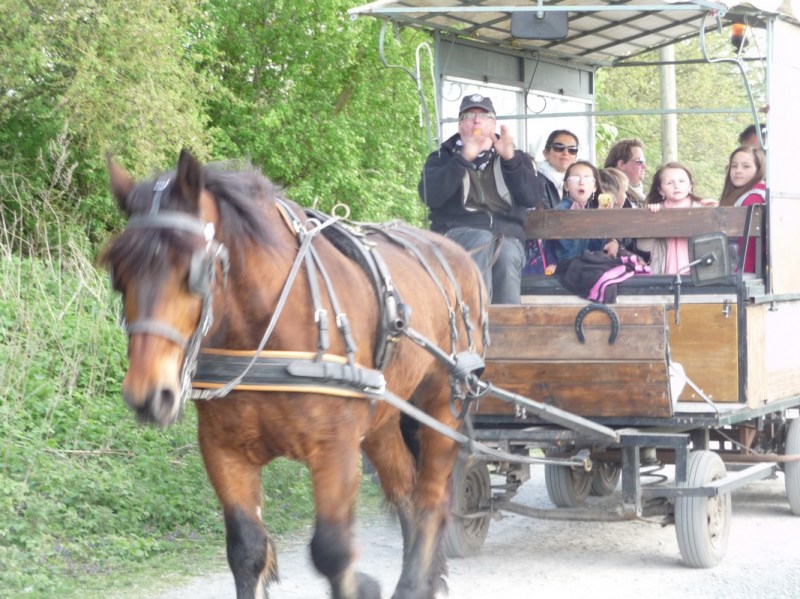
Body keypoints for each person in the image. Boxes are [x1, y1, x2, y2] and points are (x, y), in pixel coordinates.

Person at [419, 93, 545, 303]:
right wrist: (462, 160)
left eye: (484, 115)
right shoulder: (442, 158)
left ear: (493, 123)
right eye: (469, 115)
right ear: (460, 125)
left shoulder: (515, 156)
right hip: (454, 237)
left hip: (506, 237)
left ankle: (507, 329)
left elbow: (531, 198)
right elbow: (430, 197)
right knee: (483, 240)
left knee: (505, 253)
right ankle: (475, 323)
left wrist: (510, 160)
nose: (477, 120)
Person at [641, 162, 718, 274]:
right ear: (660, 190)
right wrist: (650, 218)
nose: (677, 186)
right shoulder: (657, 211)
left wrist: (713, 209)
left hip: (698, 273)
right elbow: (644, 247)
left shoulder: (702, 209)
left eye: (681, 181)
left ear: (690, 186)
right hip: (665, 273)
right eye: (669, 183)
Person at [546, 161, 612, 262]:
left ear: (594, 187)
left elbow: (595, 250)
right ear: (566, 186)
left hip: (586, 267)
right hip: (566, 270)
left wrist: (600, 219)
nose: (582, 182)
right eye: (575, 178)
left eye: (588, 178)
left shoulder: (591, 210)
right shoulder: (561, 211)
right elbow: (566, 257)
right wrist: (573, 225)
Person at [719, 145, 766, 273]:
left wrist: (744, 274)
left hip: (745, 274)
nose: (738, 171)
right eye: (734, 166)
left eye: (746, 166)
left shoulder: (754, 198)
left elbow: (750, 247)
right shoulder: (742, 195)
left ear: (758, 170)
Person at [538, 130, 580, 209]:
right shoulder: (537, 181)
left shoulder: (581, 182)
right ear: (546, 153)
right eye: (559, 148)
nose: (566, 153)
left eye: (572, 150)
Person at [604, 139, 647, 207]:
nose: (644, 166)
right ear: (622, 164)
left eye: (644, 161)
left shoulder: (645, 198)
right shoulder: (605, 193)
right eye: (640, 161)